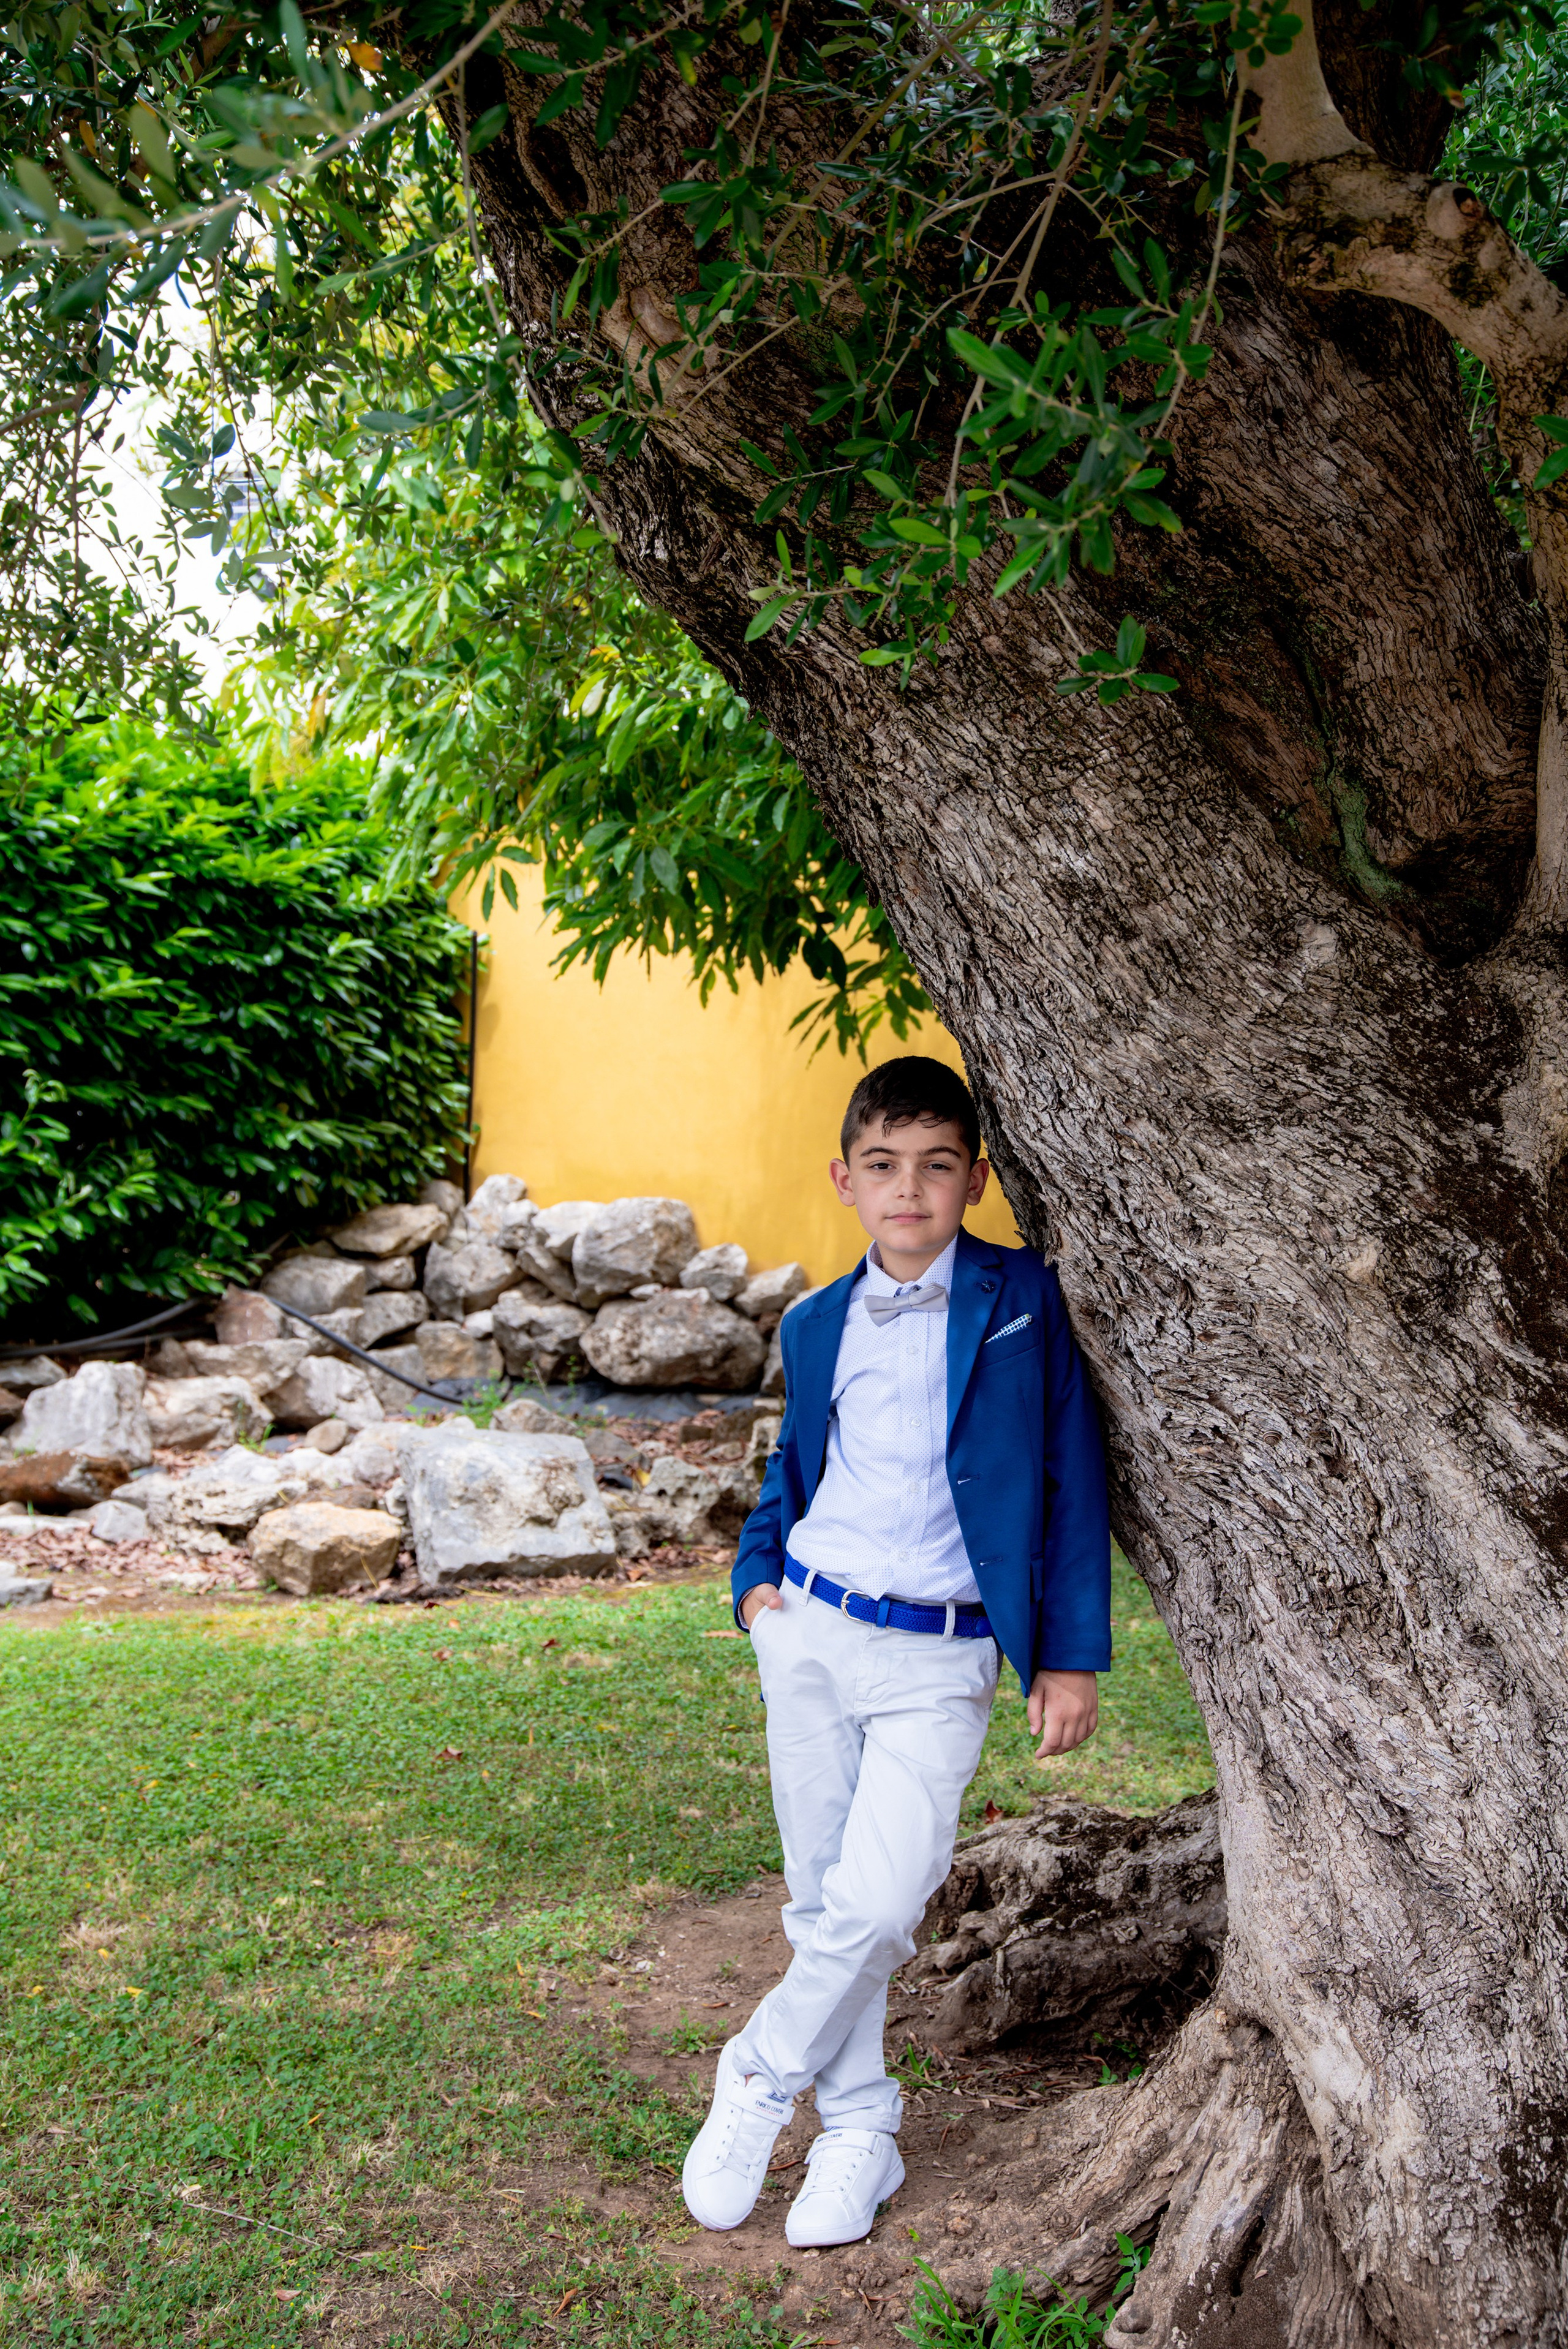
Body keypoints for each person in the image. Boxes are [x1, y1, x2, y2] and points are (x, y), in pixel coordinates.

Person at [681, 1055, 1110, 2248]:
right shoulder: (814, 1321)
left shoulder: (1027, 1297)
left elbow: (1074, 1477)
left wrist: (1067, 1654)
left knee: (876, 1903)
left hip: (942, 1653)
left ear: (973, 1178)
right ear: (844, 1180)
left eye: (934, 1167)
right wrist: (755, 1594)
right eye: (883, 1167)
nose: (908, 1190)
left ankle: (759, 2071)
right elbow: (794, 1469)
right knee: (822, 1898)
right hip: (811, 1630)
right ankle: (859, 2128)